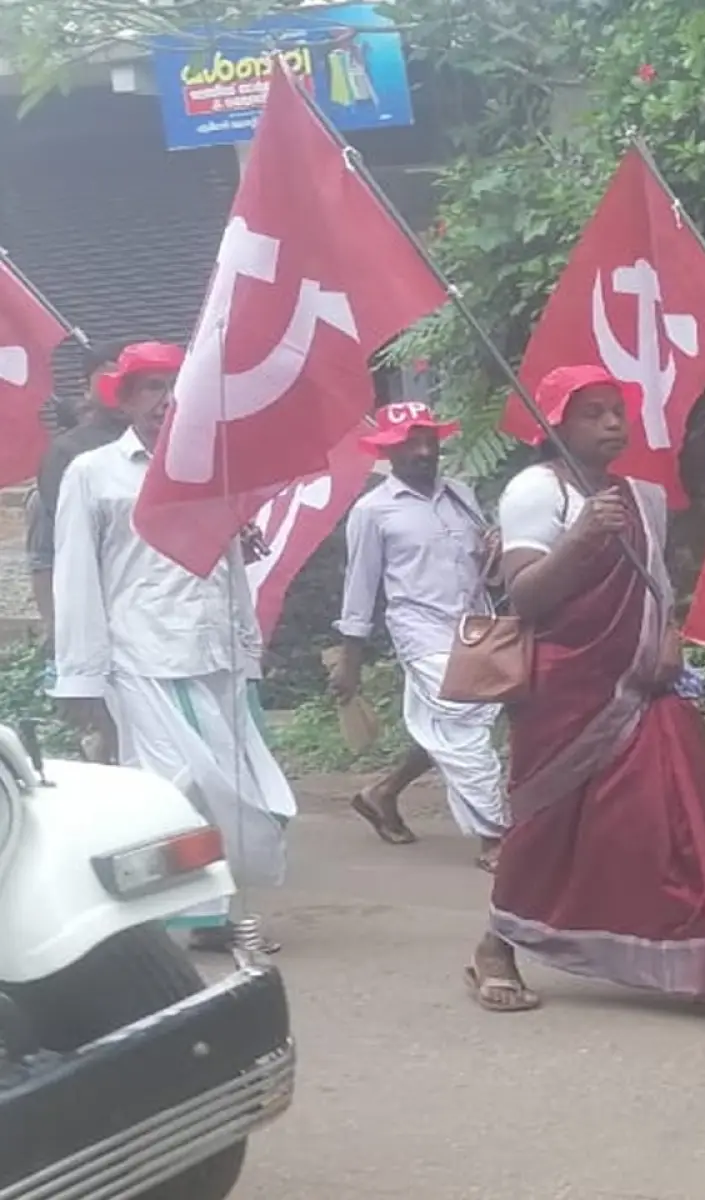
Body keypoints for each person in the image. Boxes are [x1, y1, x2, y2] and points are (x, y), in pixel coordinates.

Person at [466, 364, 705, 1018]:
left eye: (615, 411)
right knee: (549, 830)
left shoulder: (640, 496)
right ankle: (496, 946)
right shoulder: (535, 491)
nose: (610, 424)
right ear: (554, 425)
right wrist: (581, 535)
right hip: (565, 694)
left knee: (681, 821)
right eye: (591, 412)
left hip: (643, 688)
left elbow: (655, 585)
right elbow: (526, 596)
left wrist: (669, 637)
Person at [49, 342, 297, 953]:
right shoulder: (94, 473)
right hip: (143, 655)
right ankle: (189, 916)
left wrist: (247, 646)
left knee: (241, 785)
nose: (164, 401)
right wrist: (82, 679)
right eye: (151, 388)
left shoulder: (211, 472)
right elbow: (76, 574)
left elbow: (229, 563)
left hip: (215, 651)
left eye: (175, 387)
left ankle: (205, 913)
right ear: (127, 400)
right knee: (174, 785)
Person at [333, 400, 510, 871]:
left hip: (475, 629)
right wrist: (351, 661)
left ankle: (382, 793)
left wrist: (494, 551)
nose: (424, 450)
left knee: (447, 727)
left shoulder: (461, 495)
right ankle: (494, 836)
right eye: (410, 443)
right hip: (422, 634)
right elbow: (360, 587)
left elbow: (485, 572)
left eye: (429, 440)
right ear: (389, 451)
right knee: (467, 726)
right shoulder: (372, 511)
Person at [27, 338, 130, 647]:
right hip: (94, 607)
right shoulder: (68, 453)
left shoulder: (163, 443)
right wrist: (58, 624)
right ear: (87, 387)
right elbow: (55, 549)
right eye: (110, 378)